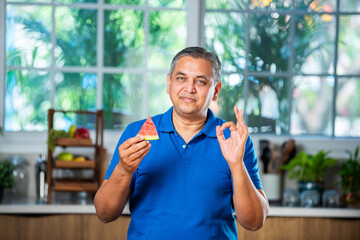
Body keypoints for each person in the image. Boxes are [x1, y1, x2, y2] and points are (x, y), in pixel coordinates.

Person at [94, 47, 269, 239]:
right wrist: (124, 170)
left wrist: (236, 165)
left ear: (216, 90)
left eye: (200, 81)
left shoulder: (234, 140)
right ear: (169, 83)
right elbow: (104, 214)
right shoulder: (136, 133)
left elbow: (254, 222)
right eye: (181, 78)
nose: (189, 88)